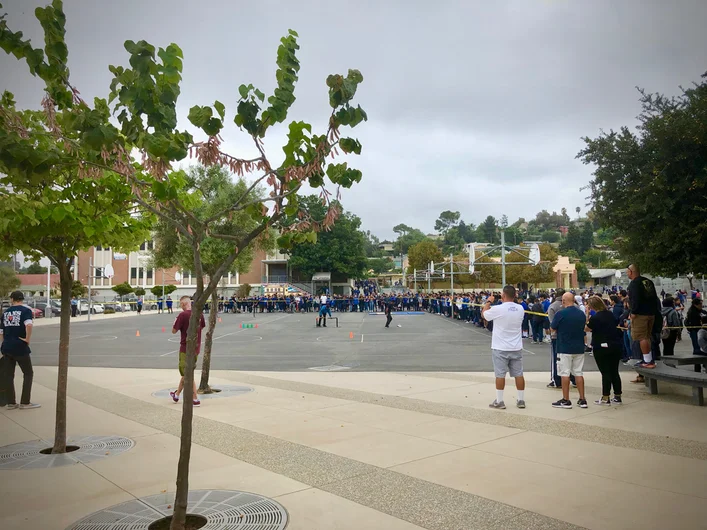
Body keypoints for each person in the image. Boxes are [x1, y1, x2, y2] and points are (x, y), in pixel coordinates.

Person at [482, 285, 526, 410]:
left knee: (500, 374)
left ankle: (500, 400)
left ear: (503, 295)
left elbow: (484, 315)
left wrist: (489, 301)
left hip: (500, 346)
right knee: (519, 374)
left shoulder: (498, 309)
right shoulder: (520, 309)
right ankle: (521, 399)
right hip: (516, 346)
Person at [0, 291, 40, 409]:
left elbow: (1, 331)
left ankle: (11, 402)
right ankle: (25, 401)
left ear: (12, 299)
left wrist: (4, 342)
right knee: (28, 373)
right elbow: (28, 325)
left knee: (9, 375)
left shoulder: (5, 313)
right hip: (20, 346)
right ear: (22, 299)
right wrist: (27, 339)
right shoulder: (26, 311)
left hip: (7, 347)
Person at [550, 292, 588, 409]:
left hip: (564, 347)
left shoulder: (561, 314)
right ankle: (582, 399)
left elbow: (553, 327)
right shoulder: (581, 314)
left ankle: (566, 399)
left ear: (564, 301)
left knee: (564, 373)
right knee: (578, 373)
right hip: (579, 347)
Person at [586, 296, 623, 405]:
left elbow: (587, 329)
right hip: (615, 344)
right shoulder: (610, 314)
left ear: (593, 306)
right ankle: (617, 395)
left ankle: (605, 396)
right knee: (614, 371)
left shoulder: (595, 318)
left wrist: (588, 315)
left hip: (600, 345)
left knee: (605, 372)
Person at [170, 296, 206, 406]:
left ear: (184, 304)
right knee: (187, 373)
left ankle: (195, 398)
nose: (180, 307)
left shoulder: (182, 315)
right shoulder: (199, 314)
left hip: (185, 348)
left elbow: (173, 331)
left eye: (181, 305)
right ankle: (176, 394)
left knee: (187, 373)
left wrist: (175, 321)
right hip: (196, 348)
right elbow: (202, 326)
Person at [627, 264, 659, 369]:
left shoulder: (634, 284)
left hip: (640, 314)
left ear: (631, 272)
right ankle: (648, 358)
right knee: (647, 336)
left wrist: (633, 312)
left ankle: (647, 361)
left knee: (641, 337)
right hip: (651, 313)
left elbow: (635, 299)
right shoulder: (648, 282)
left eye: (627, 271)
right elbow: (654, 297)